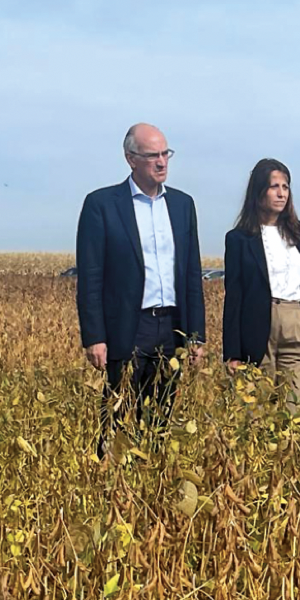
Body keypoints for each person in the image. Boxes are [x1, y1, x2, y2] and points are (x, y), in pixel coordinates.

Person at [76, 123, 205, 458]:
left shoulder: (182, 205)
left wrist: (196, 335)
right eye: (152, 156)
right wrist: (94, 337)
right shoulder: (102, 204)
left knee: (161, 418)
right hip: (128, 328)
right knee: (116, 418)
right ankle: (111, 479)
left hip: (172, 328)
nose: (161, 162)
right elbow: (90, 277)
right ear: (131, 159)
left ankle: (153, 476)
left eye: (165, 154)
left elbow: (192, 275)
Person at [222, 159, 300, 413]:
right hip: (256, 327)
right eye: (274, 187)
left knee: (297, 410)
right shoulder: (238, 239)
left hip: (298, 320)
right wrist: (232, 352)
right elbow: (234, 296)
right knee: (257, 412)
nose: (281, 193)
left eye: (285, 186)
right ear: (258, 192)